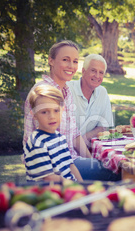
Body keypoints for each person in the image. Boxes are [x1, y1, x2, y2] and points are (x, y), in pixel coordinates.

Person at [23, 40, 120, 181]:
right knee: (118, 172)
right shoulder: (44, 93)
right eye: (65, 60)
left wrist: (91, 161)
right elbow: (33, 144)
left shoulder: (66, 91)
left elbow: (74, 135)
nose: (71, 66)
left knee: (111, 166)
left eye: (75, 61)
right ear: (51, 60)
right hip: (54, 170)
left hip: (69, 161)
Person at [24, 85, 83, 182]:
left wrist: (82, 186)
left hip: (68, 188)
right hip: (50, 192)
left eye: (56, 110)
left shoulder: (60, 137)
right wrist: (74, 186)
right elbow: (48, 178)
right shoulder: (37, 143)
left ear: (62, 110)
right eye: (44, 112)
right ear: (34, 115)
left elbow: (71, 166)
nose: (52, 116)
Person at [67, 54, 113, 146]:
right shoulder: (67, 90)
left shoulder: (102, 92)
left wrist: (84, 139)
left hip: (88, 148)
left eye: (101, 72)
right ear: (83, 71)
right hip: (66, 149)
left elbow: (103, 126)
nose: (97, 76)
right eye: (93, 70)